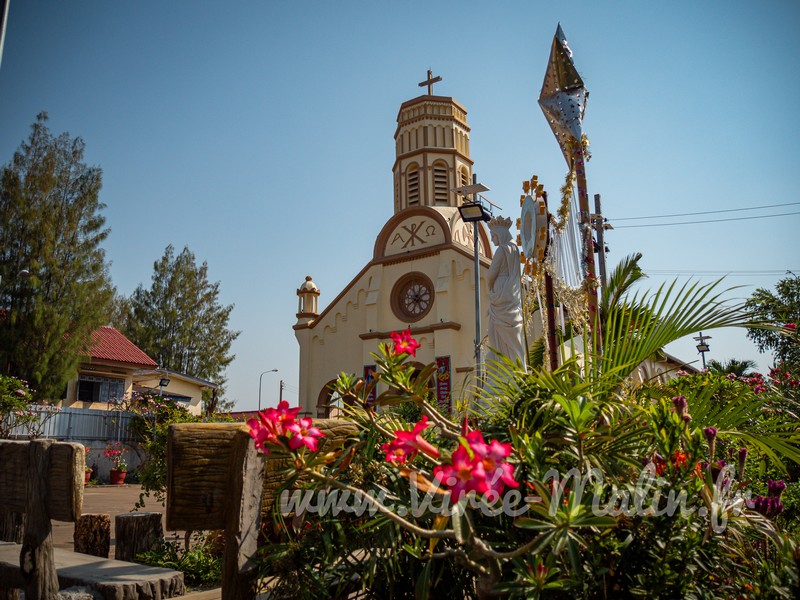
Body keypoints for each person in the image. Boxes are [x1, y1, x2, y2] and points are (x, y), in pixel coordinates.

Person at [486, 216, 526, 368]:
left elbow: (490, 275)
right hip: (511, 293)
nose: (492, 240)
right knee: (512, 333)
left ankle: (502, 367)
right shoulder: (515, 249)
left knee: (495, 332)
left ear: (499, 234)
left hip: (500, 290)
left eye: (493, 236)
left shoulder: (502, 250)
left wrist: (491, 289)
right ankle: (515, 365)